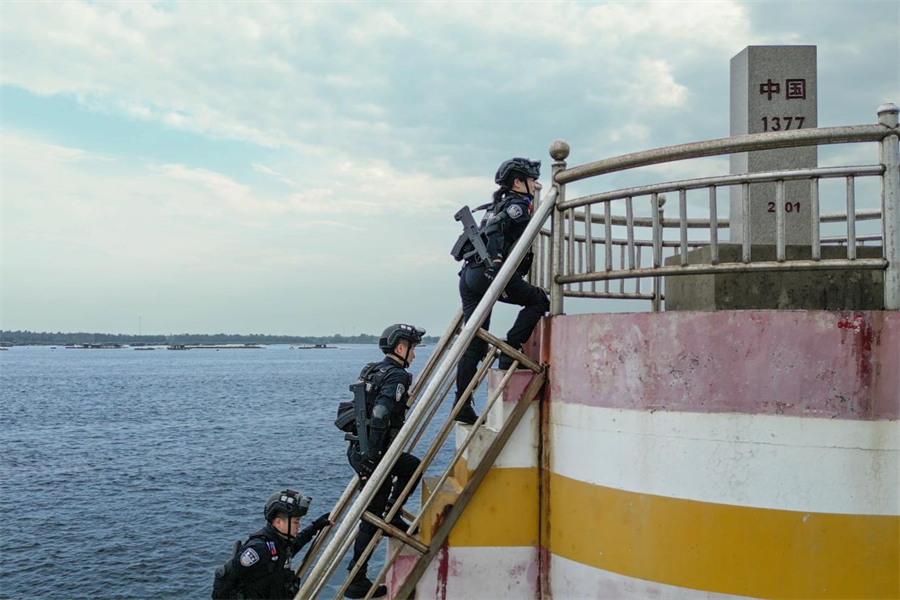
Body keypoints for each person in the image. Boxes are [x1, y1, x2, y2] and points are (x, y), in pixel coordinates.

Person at [454, 158, 550, 425]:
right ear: (518, 182)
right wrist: (496, 261)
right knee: (539, 300)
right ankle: (510, 350)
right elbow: (496, 228)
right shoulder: (517, 205)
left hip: (469, 277)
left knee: (475, 339)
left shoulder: (496, 205)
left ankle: (461, 403)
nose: (534, 185)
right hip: (490, 275)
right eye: (531, 180)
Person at [344, 323, 425, 599]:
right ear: (401, 348)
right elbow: (379, 414)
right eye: (413, 349)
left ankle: (394, 512)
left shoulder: (372, 369)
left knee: (412, 467)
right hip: (373, 453)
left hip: (361, 449)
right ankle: (357, 577)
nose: (414, 355)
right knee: (372, 513)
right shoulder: (398, 375)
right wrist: (373, 458)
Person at [211, 489, 332, 600]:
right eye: (296, 522)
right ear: (279, 522)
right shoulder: (259, 549)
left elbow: (294, 545)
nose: (299, 526)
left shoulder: (280, 542)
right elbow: (223, 575)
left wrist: (315, 527)